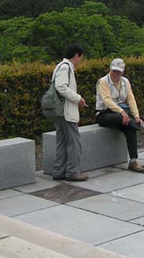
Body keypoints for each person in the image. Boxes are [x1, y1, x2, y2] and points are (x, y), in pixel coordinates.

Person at [95, 58, 144, 173]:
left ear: (122, 72)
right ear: (110, 69)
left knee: (130, 128)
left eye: (118, 71)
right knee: (122, 118)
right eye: (114, 70)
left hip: (122, 115)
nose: (116, 74)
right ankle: (143, 126)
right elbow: (107, 101)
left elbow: (131, 99)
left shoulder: (125, 82)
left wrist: (136, 115)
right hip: (105, 114)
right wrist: (121, 112)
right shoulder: (103, 82)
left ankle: (133, 161)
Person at [51, 44, 88, 182]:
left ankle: (59, 171)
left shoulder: (60, 66)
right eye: (81, 58)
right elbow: (61, 86)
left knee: (61, 140)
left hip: (59, 111)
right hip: (66, 111)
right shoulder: (66, 67)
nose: (80, 61)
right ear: (76, 55)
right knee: (74, 141)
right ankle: (73, 171)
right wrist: (78, 98)